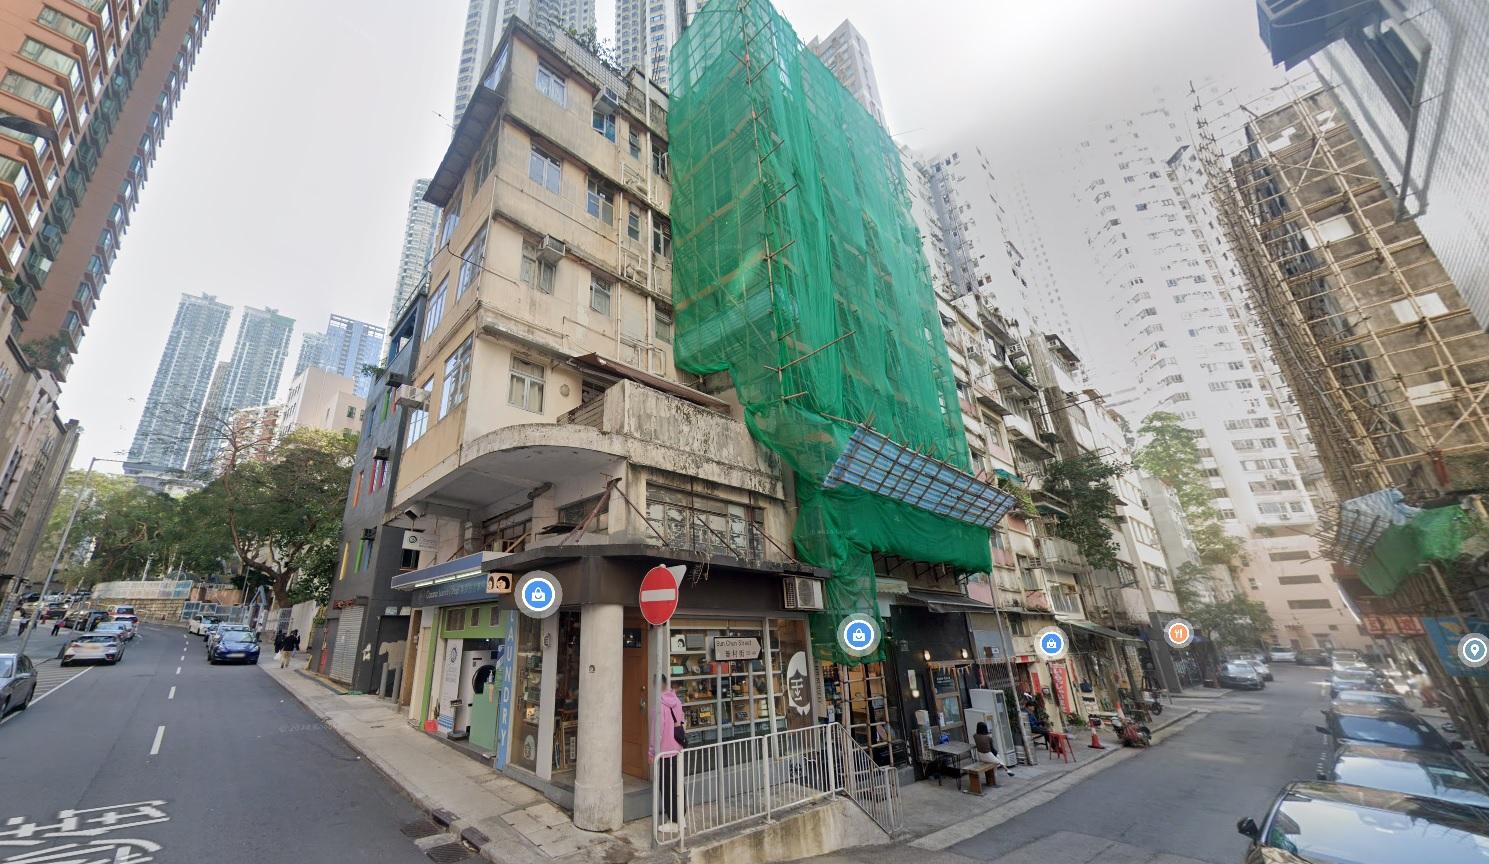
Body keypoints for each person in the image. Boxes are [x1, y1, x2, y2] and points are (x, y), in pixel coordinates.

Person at [650, 677, 686, 831]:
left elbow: (656, 732)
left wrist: (651, 752)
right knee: (678, 784)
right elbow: (682, 720)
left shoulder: (659, 706)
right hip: (677, 749)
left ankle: (674, 822)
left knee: (667, 787)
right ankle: (681, 818)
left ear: (655, 685)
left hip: (664, 752)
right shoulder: (676, 701)